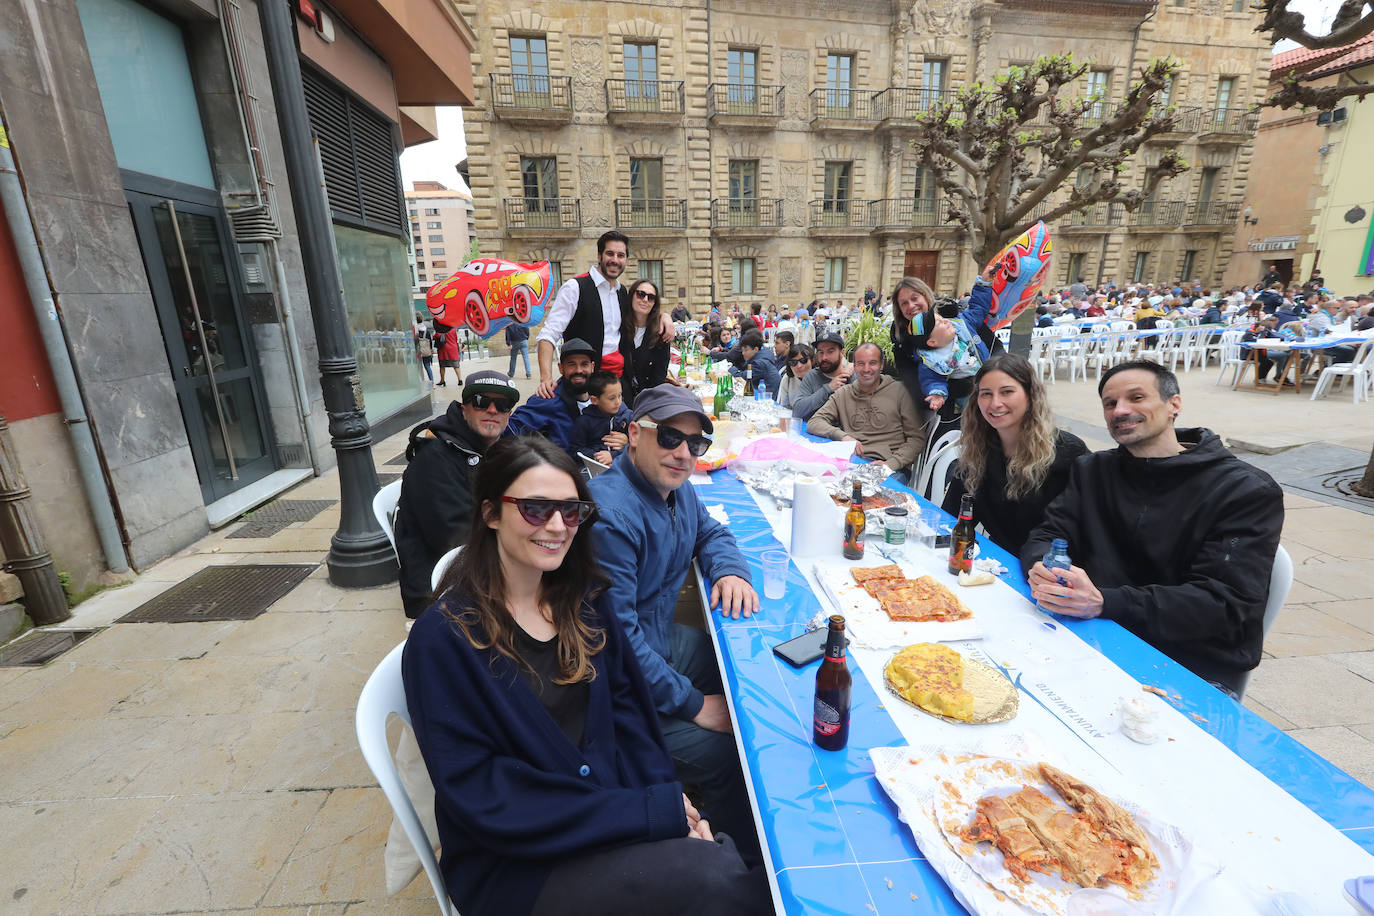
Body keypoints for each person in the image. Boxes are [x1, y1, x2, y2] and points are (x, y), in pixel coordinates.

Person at [403, 436, 771, 916]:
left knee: (731, 870)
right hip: (517, 863)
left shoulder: (584, 603)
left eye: (572, 511)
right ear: (491, 513)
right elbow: (485, 796)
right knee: (720, 881)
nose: (557, 526)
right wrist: (645, 814)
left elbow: (632, 723)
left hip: (601, 820)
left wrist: (672, 809)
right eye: (536, 509)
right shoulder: (445, 640)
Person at [1022, 360, 1283, 697]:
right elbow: (1047, 534)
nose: (1121, 410)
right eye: (1110, 403)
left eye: (1136, 397)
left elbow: (1225, 605)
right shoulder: (1093, 470)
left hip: (1187, 663)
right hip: (1091, 634)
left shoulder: (1245, 490)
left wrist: (1105, 601)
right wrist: (1044, 568)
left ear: (1174, 404)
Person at [588, 385, 762, 862]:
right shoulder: (611, 517)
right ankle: (737, 861)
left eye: (695, 444)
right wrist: (691, 705)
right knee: (729, 752)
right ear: (634, 435)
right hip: (610, 692)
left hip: (657, 640)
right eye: (668, 437)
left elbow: (712, 530)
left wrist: (728, 567)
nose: (683, 453)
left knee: (738, 671)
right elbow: (616, 644)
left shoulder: (674, 491)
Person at [394, 371, 518, 618]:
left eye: (502, 405)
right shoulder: (434, 460)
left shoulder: (502, 449)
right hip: (443, 588)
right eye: (481, 402)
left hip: (486, 563)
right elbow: (455, 539)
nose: (492, 410)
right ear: (464, 409)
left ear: (509, 414)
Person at [941, 354, 1088, 557]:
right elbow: (953, 517)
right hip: (995, 562)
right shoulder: (978, 449)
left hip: (1049, 572)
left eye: (1007, 392)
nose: (995, 403)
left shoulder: (1068, 453)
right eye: (986, 394)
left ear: (1031, 395)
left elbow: (1084, 532)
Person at [807, 342, 925, 479]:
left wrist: (891, 464)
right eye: (861, 363)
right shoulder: (844, 393)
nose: (866, 369)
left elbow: (916, 438)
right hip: (851, 463)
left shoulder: (900, 392)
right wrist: (842, 436)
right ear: (854, 366)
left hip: (889, 468)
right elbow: (814, 422)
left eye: (873, 363)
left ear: (881, 365)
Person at [907, 274, 997, 418]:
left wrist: (983, 284)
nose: (946, 321)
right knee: (976, 414)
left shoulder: (962, 323)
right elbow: (932, 380)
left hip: (989, 375)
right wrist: (937, 394)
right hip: (967, 390)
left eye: (942, 319)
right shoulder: (932, 360)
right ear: (932, 342)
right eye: (940, 324)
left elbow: (978, 308)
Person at [508, 338, 597, 452]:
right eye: (572, 364)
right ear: (561, 368)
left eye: (584, 364)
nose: (578, 370)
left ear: (592, 367)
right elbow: (510, 430)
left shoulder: (606, 394)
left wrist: (624, 439)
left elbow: (621, 419)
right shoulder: (548, 399)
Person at [619, 278, 671, 404]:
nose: (645, 300)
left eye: (651, 297)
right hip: (619, 401)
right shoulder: (618, 327)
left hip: (648, 401)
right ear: (631, 296)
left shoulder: (661, 332)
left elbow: (659, 376)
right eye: (640, 294)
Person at [572, 370, 632, 465]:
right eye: (612, 398)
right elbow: (575, 450)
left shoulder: (628, 416)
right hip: (596, 466)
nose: (618, 402)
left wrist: (615, 454)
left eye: (620, 395)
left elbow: (640, 443)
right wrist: (597, 456)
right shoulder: (584, 421)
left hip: (624, 463)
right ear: (594, 400)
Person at [790, 331, 852, 421]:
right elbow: (797, 411)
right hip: (812, 432)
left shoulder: (853, 378)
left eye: (830, 352)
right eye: (820, 352)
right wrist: (828, 388)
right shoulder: (812, 376)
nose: (824, 358)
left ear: (842, 353)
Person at [730, 330, 781, 399]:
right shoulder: (764, 354)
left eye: (746, 350)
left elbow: (741, 377)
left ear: (756, 349)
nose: (743, 353)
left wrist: (731, 368)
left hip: (767, 398)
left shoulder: (759, 364)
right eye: (742, 350)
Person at [776, 343, 814, 410]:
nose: (799, 366)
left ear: (812, 361)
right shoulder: (787, 379)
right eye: (793, 363)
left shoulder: (821, 379)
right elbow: (782, 407)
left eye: (803, 361)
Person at [435, 321, 461, 387]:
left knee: (442, 366)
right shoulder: (453, 330)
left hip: (444, 350)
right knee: (456, 366)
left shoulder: (441, 331)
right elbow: (456, 339)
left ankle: (442, 380)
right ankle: (460, 380)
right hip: (453, 349)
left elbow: (436, 336)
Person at [413, 311, 434, 386]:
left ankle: (421, 381)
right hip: (426, 351)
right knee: (427, 366)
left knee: (419, 367)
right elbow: (430, 342)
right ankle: (432, 382)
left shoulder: (415, 330)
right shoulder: (426, 330)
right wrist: (431, 350)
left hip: (418, 352)